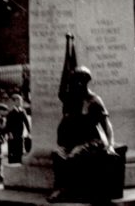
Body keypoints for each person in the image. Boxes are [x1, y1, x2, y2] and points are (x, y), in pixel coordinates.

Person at [50, 65, 124, 202]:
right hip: (75, 140)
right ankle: (60, 188)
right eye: (75, 81)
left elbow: (107, 124)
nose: (77, 84)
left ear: (85, 82)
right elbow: (64, 123)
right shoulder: (72, 100)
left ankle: (71, 189)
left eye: (80, 81)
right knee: (58, 154)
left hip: (93, 140)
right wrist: (61, 143)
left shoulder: (94, 100)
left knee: (75, 154)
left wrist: (111, 145)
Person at [5, 94, 31, 164]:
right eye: (18, 100)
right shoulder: (10, 113)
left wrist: (29, 132)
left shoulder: (22, 111)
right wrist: (9, 133)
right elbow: (8, 124)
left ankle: (19, 162)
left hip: (20, 134)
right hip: (12, 135)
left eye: (21, 101)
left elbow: (26, 122)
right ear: (14, 102)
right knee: (13, 150)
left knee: (20, 150)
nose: (20, 102)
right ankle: (13, 163)